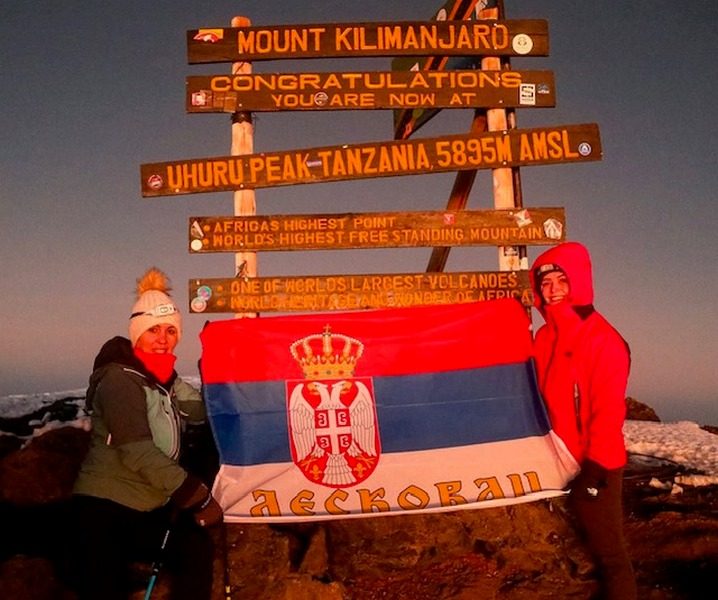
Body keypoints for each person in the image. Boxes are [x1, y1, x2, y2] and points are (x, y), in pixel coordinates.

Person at [70, 267, 222, 600]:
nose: (163, 338)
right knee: (103, 586)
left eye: (170, 330)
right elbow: (136, 449)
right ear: (137, 334)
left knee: (195, 548)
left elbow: (204, 412)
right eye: (153, 329)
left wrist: (215, 372)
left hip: (149, 506)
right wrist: (193, 492)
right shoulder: (118, 380)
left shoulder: (165, 379)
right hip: (105, 508)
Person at [530, 242, 637, 600]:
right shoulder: (544, 337)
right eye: (546, 283)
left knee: (610, 555)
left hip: (596, 464)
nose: (554, 289)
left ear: (579, 283)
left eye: (562, 280)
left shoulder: (603, 340)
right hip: (555, 458)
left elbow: (607, 411)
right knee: (571, 548)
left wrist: (595, 472)